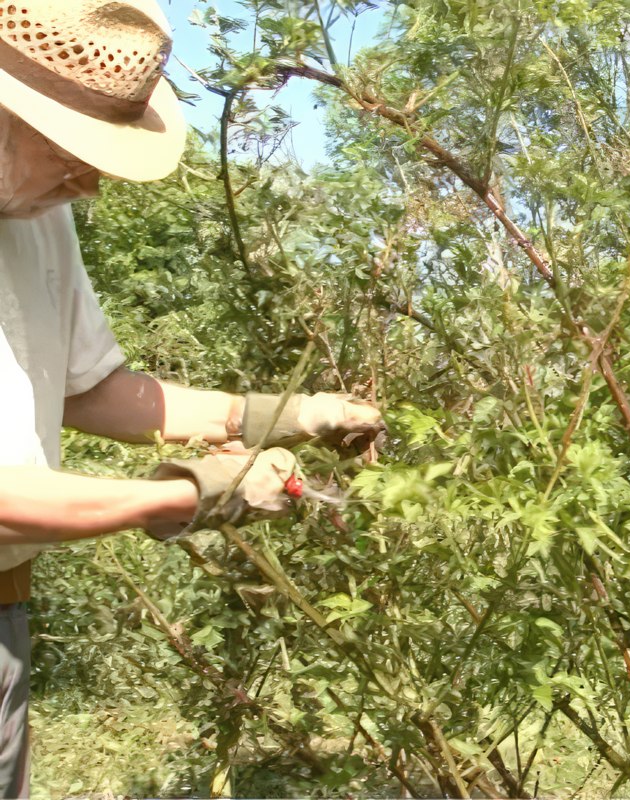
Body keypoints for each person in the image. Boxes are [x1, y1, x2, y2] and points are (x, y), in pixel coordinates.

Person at [0, 0, 382, 796]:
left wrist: (280, 414)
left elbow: (90, 389)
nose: (92, 178)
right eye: (70, 146)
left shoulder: (38, 212)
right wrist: (190, 493)